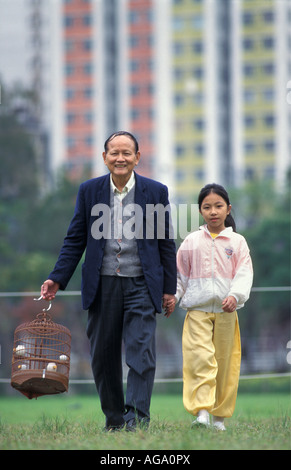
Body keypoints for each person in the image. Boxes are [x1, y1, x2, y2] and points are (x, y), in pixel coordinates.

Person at [41, 131, 177, 431]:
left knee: (141, 352)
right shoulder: (89, 191)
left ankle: (137, 420)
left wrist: (170, 288)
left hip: (142, 283)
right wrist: (57, 278)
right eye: (114, 152)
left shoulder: (155, 191)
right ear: (104, 157)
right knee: (103, 357)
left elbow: (165, 242)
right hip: (102, 285)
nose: (120, 158)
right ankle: (115, 420)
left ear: (137, 157)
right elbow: (75, 239)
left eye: (126, 152)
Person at [173, 183, 253, 431]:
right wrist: (172, 298)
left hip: (227, 313)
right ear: (200, 211)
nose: (213, 211)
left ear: (228, 209)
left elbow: (244, 273)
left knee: (224, 363)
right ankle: (203, 414)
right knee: (201, 360)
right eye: (207, 207)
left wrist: (235, 296)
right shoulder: (191, 241)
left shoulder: (237, 242)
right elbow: (179, 276)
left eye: (218, 206)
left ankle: (219, 420)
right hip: (196, 312)